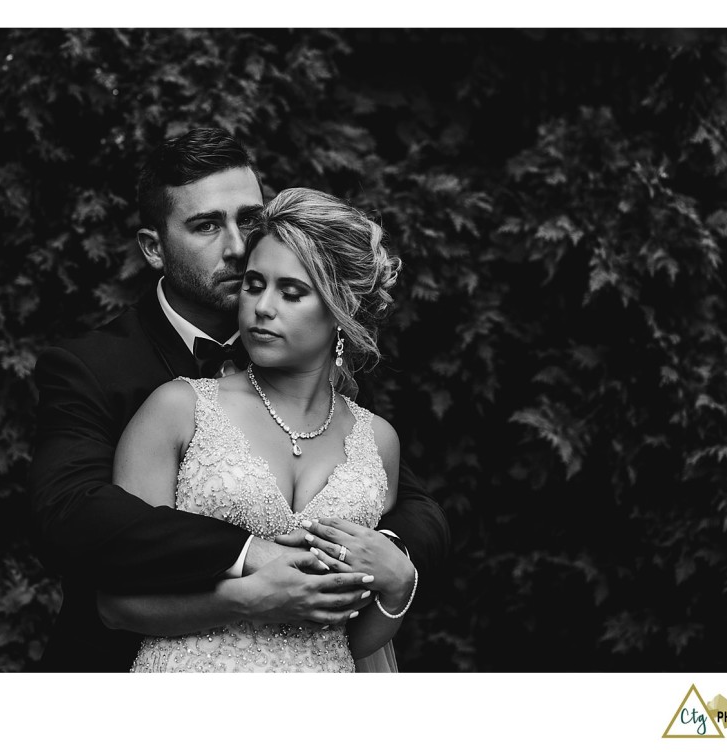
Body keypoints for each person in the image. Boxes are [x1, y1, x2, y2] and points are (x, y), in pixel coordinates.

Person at [29, 128, 449, 671]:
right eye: (206, 225)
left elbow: (413, 506)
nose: (235, 246)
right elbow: (72, 514)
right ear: (154, 248)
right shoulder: (100, 370)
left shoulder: (313, 364)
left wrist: (391, 565)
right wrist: (251, 559)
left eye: (248, 219)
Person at [102, 187, 412, 671]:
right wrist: (248, 598)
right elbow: (117, 604)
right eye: (253, 284)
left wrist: (398, 586)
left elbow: (351, 642)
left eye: (291, 293)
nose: (262, 307)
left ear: (339, 311)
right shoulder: (178, 410)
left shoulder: (378, 442)